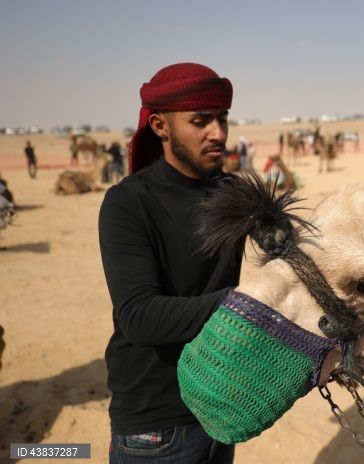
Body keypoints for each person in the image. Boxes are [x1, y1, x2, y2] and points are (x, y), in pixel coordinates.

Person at [99, 63, 245, 463]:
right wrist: (247, 302)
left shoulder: (232, 194)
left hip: (219, 406)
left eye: (222, 119)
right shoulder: (128, 203)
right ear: (161, 126)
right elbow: (140, 317)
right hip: (156, 426)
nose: (217, 133)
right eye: (200, 121)